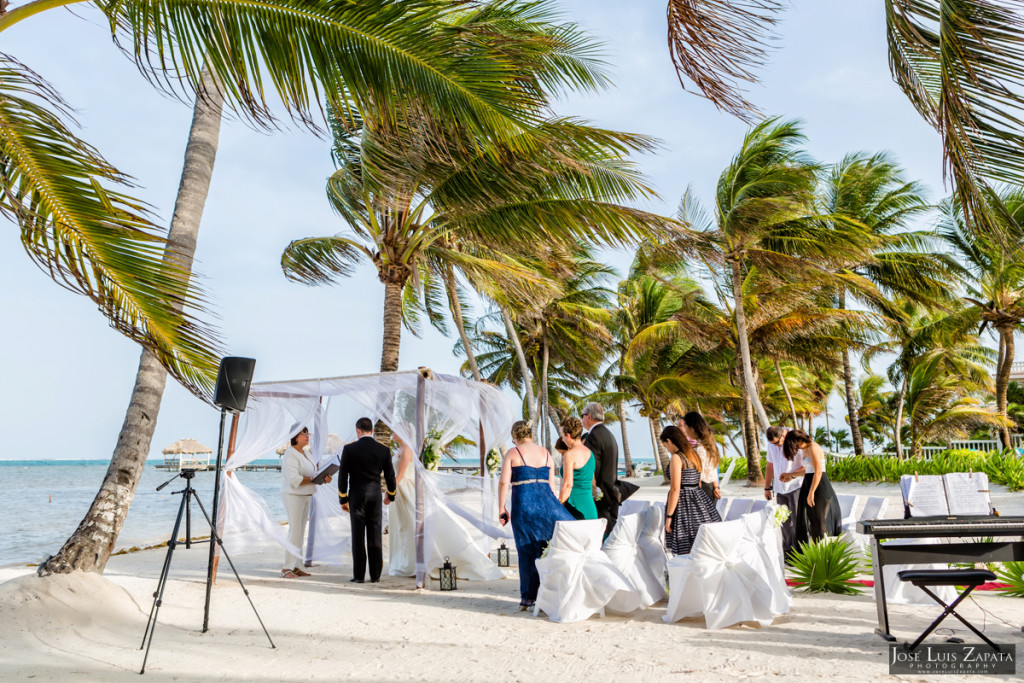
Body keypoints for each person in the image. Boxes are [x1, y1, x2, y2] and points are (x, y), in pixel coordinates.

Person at [388, 434, 504, 581]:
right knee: (404, 528)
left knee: (413, 524)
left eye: (395, 431)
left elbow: (401, 474)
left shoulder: (406, 450)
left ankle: (419, 562)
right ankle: (406, 562)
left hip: (406, 490)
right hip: (401, 492)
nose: (393, 434)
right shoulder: (400, 449)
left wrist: (389, 490)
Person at [498, 420, 573, 610]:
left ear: (515, 437)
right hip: (548, 505)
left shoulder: (513, 453)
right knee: (547, 549)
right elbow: (551, 485)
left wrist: (501, 508)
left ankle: (529, 598)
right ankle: (553, 594)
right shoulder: (546, 453)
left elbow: (503, 483)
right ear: (531, 435)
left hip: (524, 507)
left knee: (526, 551)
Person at [338, 417, 396, 583]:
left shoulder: (349, 449)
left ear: (358, 431)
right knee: (374, 535)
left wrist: (343, 499)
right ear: (372, 430)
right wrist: (390, 495)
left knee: (358, 536)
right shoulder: (383, 450)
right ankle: (376, 575)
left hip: (356, 497)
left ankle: (358, 576)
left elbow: (342, 477)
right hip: (375, 497)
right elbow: (390, 476)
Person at [280, 427, 332, 578]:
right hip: (293, 495)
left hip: (306, 494)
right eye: (303, 433)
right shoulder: (290, 454)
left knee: (300, 532)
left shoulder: (306, 453)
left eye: (307, 433)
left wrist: (323, 478)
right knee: (294, 532)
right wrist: (314, 480)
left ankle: (297, 565)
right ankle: (286, 568)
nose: (306, 436)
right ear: (295, 436)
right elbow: (294, 479)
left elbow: (313, 474)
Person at [660, 425, 721, 555]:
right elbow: (698, 483)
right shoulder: (693, 455)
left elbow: (675, 488)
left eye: (665, 446)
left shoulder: (677, 458)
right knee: (701, 545)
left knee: (686, 547)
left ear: (670, 441)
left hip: (683, 503)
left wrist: (669, 516)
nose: (667, 449)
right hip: (701, 500)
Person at [782, 429, 842, 546]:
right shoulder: (804, 449)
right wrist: (791, 475)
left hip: (819, 487)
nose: (795, 448)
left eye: (794, 444)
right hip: (808, 484)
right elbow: (808, 471)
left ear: (798, 439)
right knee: (812, 522)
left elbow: (818, 472)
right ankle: (817, 550)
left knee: (819, 522)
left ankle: (825, 552)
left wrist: (811, 492)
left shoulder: (813, 447)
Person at [764, 425, 803, 558]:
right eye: (771, 443)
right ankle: (788, 554)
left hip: (796, 486)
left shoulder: (796, 440)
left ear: (783, 435)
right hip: (780, 489)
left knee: (798, 520)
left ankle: (802, 552)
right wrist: (767, 487)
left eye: (776, 442)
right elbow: (770, 465)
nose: (774, 446)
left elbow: (807, 465)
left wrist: (792, 475)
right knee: (784, 521)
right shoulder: (771, 445)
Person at [582, 402, 620, 534]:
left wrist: (592, 490)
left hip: (600, 493)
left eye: (582, 415)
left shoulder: (593, 436)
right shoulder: (608, 434)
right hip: (612, 490)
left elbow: (592, 465)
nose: (582, 419)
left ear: (589, 417)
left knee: (601, 533)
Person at [557, 417, 598, 520]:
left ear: (568, 436)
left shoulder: (570, 455)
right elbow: (593, 484)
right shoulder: (590, 453)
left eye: (562, 436)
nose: (562, 439)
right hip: (590, 509)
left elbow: (567, 484)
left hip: (575, 508)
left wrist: (559, 503)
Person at [677, 412, 721, 502]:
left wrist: (696, 496)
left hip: (703, 488)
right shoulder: (709, 444)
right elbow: (713, 469)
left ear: (692, 429)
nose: (685, 430)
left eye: (685, 427)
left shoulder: (700, 449)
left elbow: (698, 475)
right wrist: (716, 487)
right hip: (711, 487)